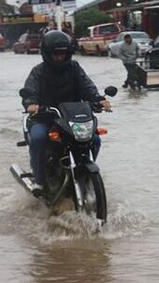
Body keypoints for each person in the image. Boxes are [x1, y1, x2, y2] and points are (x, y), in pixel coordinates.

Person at [20, 30, 112, 193]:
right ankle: (40, 181)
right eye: (56, 54)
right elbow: (30, 90)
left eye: (63, 53)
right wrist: (31, 103)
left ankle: (83, 171)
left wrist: (98, 100)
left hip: (73, 118)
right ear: (47, 54)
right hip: (45, 117)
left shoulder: (75, 68)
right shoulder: (38, 71)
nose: (59, 57)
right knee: (39, 138)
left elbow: (87, 87)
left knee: (95, 139)